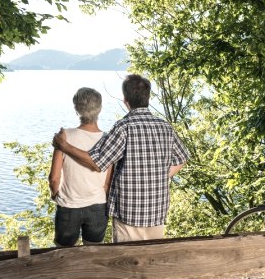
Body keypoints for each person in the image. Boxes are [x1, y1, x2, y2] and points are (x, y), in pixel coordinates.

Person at [53, 74, 189, 244]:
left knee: (126, 263)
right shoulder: (165, 127)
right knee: (152, 258)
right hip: (157, 209)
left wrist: (65, 147)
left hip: (128, 211)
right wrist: (161, 176)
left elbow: (97, 163)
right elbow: (182, 158)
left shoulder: (123, 127)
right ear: (148, 97)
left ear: (125, 100)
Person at [48, 87, 113, 246]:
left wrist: (55, 194)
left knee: (63, 255)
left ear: (77, 110)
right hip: (98, 206)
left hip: (68, 206)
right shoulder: (107, 140)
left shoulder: (64, 137)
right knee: (93, 255)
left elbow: (54, 178)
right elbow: (107, 183)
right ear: (100, 109)